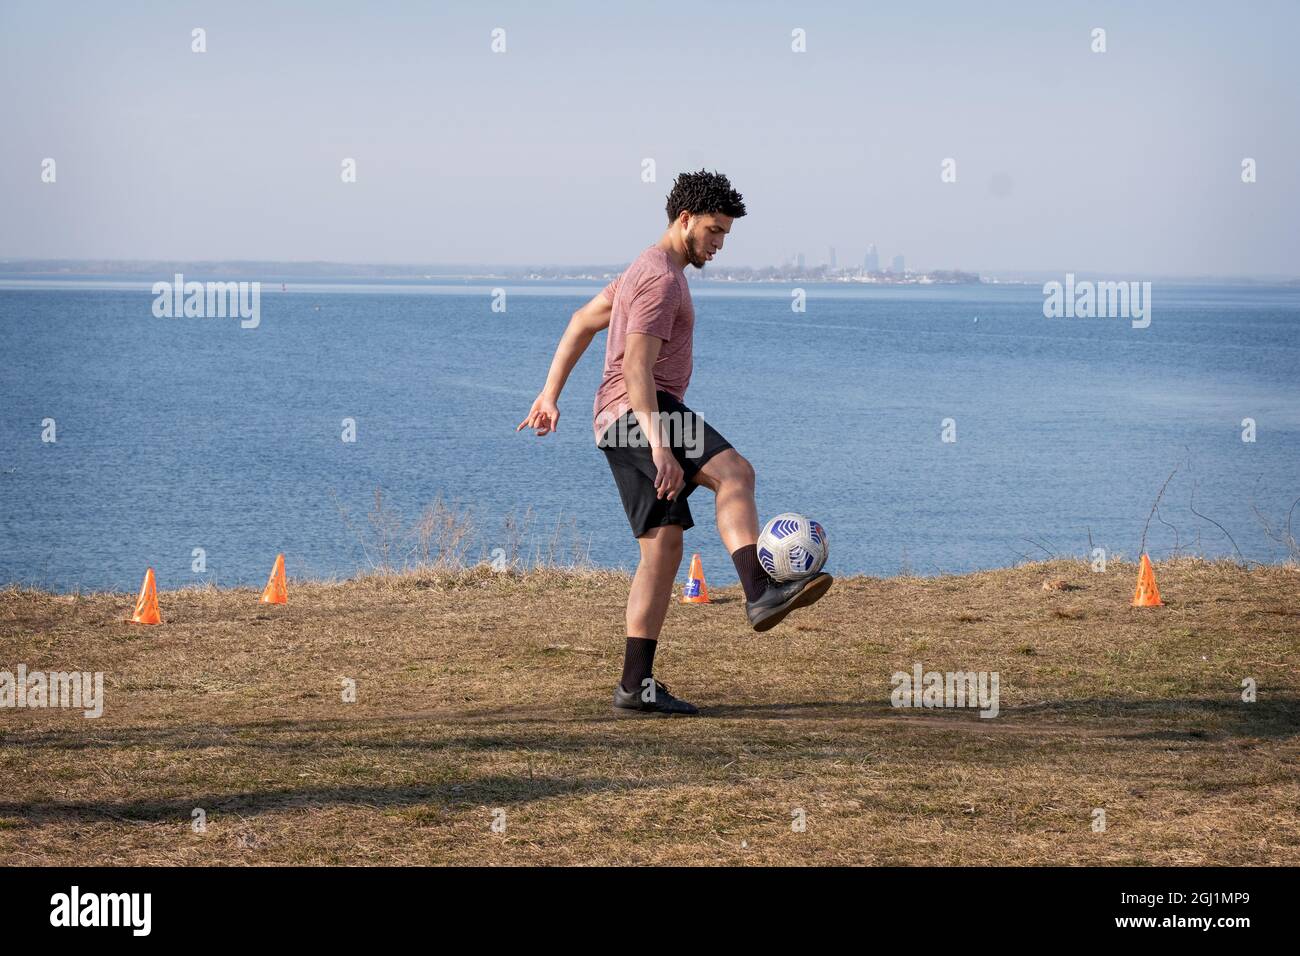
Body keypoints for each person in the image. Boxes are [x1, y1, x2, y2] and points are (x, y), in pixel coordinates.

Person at [517, 169, 832, 716]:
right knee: (734, 473)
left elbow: (580, 321)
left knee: (662, 552)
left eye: (726, 235)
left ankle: (634, 686)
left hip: (615, 423)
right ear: (684, 219)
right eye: (713, 231)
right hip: (645, 412)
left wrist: (549, 395)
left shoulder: (640, 270)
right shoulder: (661, 278)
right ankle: (759, 591)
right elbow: (637, 366)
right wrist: (661, 446)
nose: (718, 244)